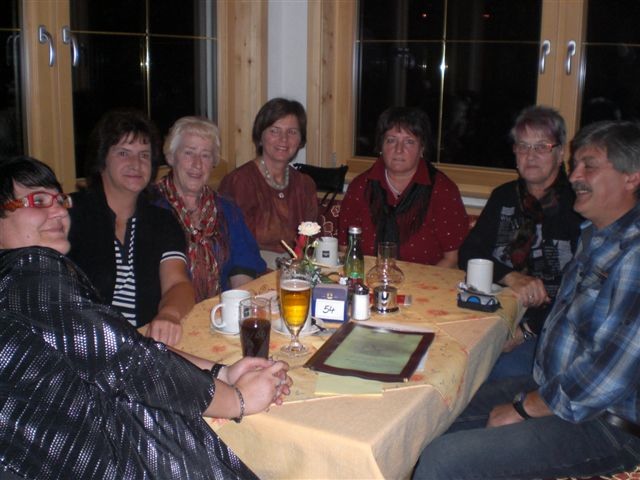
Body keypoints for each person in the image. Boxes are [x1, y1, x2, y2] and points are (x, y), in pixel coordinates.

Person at [0, 155, 292, 479]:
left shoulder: (21, 277)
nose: (58, 211)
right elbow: (128, 362)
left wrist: (222, 372)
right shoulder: (28, 276)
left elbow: (121, 342)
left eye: (59, 200)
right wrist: (237, 400)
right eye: (38, 201)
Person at [413, 120, 640, 479]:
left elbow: (605, 378)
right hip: (554, 387)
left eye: (590, 166)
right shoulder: (596, 237)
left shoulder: (633, 255)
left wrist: (523, 409)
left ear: (632, 177)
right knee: (431, 414)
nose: (575, 175)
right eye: (576, 164)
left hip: (606, 422)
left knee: (442, 459)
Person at [459, 106, 582, 379]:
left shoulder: (578, 205)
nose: (531, 155)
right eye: (523, 146)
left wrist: (526, 331)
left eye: (542, 146)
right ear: (515, 153)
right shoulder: (504, 196)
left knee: (490, 376)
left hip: (551, 325)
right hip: (496, 314)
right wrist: (512, 277)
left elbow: (581, 291)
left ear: (561, 152)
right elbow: (470, 252)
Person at [68, 109, 193, 346]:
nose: (136, 164)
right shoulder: (69, 216)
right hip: (85, 347)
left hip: (143, 344)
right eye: (123, 153)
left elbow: (178, 283)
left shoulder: (162, 220)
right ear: (102, 159)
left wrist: (169, 314)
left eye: (144, 155)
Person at [338, 106, 468, 267]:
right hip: (367, 279)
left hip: (428, 280)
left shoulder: (442, 191)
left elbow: (453, 258)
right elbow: (345, 248)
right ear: (381, 146)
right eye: (391, 140)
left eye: (409, 141)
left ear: (422, 148)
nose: (399, 150)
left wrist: (419, 283)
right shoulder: (360, 187)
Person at [154, 116, 266, 302]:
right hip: (166, 310)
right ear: (171, 157)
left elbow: (243, 264)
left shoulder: (226, 209)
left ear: (213, 162)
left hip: (219, 309)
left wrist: (238, 306)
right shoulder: (153, 208)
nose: (197, 164)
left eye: (205, 155)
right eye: (189, 153)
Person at [218, 98, 318, 269]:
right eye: (274, 131)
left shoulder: (305, 185)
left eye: (292, 132)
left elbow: (310, 243)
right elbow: (229, 245)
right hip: (250, 271)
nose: (283, 139)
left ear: (300, 140)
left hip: (297, 271)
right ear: (260, 136)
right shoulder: (238, 182)